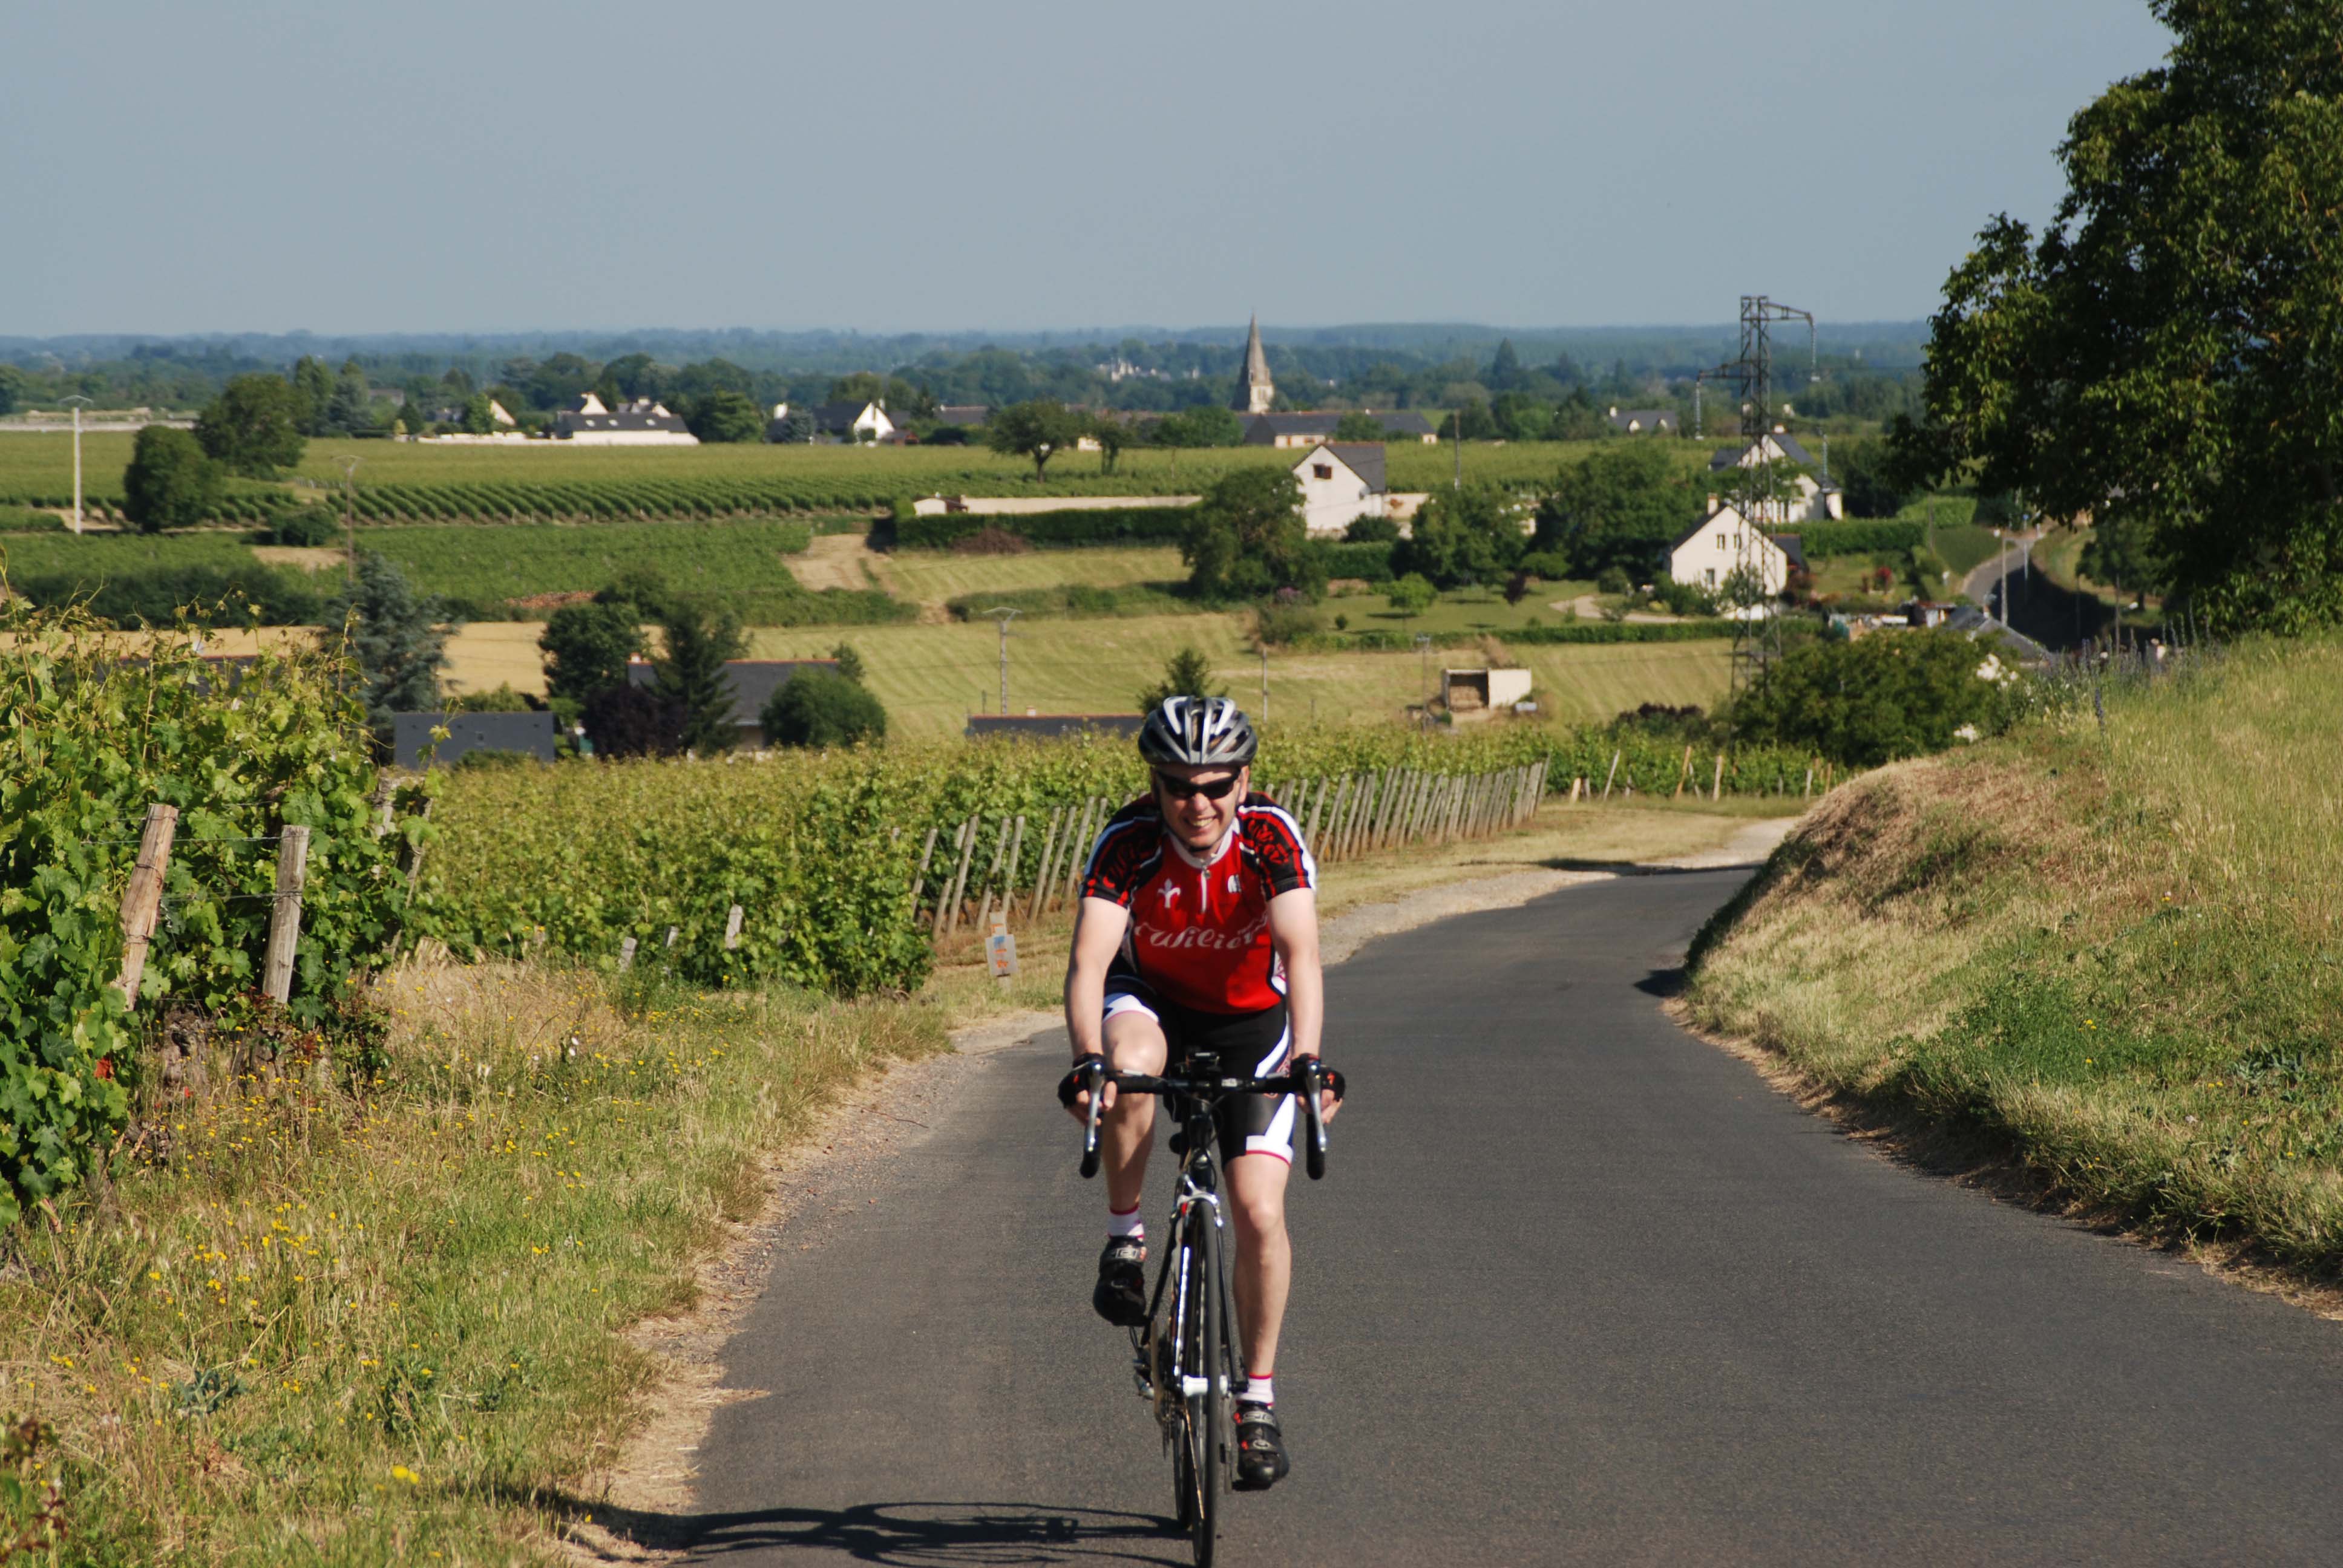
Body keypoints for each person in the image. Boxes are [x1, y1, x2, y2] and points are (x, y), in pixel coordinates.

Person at [1059, 695, 1342, 1492]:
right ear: (1155, 786)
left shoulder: (1271, 840)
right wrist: (1088, 1061)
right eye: (1180, 785)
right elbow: (1088, 965)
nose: (1200, 803)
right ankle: (1126, 1240)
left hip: (1256, 1022)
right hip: (1153, 1004)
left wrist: (1311, 1059)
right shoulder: (1130, 842)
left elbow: (1304, 956)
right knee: (1132, 1062)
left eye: (1217, 784)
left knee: (1257, 1210)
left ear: (1243, 780)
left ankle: (1256, 1402)